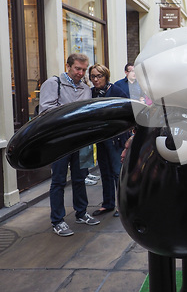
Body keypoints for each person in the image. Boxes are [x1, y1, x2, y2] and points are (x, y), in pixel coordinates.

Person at [38, 53, 100, 236]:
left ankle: (81, 213)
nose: (81, 73)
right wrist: (73, 114)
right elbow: (46, 110)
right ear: (68, 66)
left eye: (83, 69)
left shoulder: (86, 89)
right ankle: (57, 220)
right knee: (58, 181)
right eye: (77, 69)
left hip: (80, 141)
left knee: (80, 178)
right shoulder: (53, 84)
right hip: (59, 141)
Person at [89, 64, 128, 218]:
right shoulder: (91, 93)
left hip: (116, 139)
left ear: (106, 76)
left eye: (99, 76)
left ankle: (122, 206)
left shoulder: (116, 90)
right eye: (93, 76)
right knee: (104, 172)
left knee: (117, 172)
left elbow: (127, 110)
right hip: (101, 139)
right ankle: (108, 204)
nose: (96, 79)